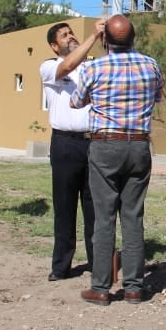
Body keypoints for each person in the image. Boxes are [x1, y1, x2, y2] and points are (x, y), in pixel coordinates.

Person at [72, 15, 163, 306]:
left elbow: (76, 101)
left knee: (104, 216)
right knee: (133, 216)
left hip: (105, 144)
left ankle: (100, 287)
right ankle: (134, 287)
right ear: (134, 38)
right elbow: (157, 97)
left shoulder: (94, 67)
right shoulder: (150, 65)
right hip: (138, 144)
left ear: (105, 39)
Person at [40, 19, 104, 281]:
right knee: (64, 206)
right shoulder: (50, 66)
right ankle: (61, 266)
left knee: (95, 207)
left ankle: (96, 263)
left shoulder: (92, 67)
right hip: (65, 144)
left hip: (93, 142)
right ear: (54, 46)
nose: (71, 37)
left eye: (72, 33)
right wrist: (93, 36)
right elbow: (68, 64)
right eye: (64, 36)